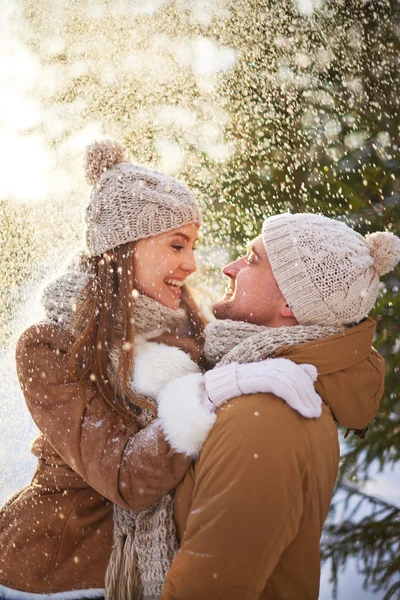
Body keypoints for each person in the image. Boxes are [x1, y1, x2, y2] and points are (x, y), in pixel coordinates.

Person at [0, 143, 320, 600]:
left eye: (193, 246)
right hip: (55, 572)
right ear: (123, 248)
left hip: (143, 570)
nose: (190, 264)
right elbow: (126, 477)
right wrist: (210, 393)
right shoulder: (50, 345)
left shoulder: (187, 326)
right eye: (176, 245)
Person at [157, 212, 400, 600]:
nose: (229, 267)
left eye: (252, 260)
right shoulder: (274, 394)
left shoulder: (267, 417)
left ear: (291, 300)